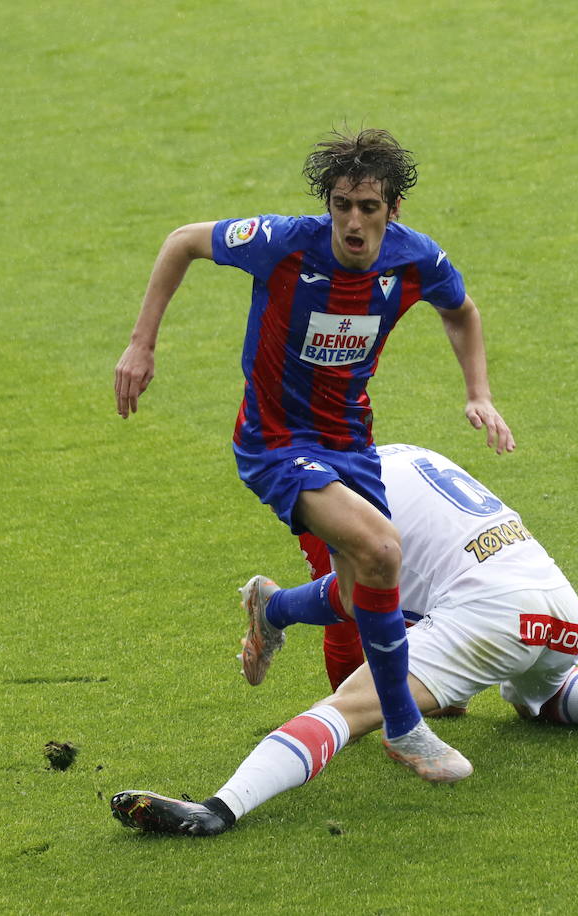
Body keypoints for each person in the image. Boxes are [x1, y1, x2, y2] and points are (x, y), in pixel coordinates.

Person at [114, 128, 515, 770]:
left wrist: (480, 394)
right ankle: (404, 728)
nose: (352, 222)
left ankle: (271, 608)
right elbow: (182, 241)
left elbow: (461, 311)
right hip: (275, 441)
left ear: (393, 211)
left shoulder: (415, 261)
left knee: (362, 595)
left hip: (351, 441)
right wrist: (143, 343)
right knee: (383, 548)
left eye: (369, 208)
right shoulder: (281, 244)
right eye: (341, 205)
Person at [110, 444, 578, 837]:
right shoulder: (410, 457)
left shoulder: (342, 498)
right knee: (544, 694)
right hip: (560, 607)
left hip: (488, 614)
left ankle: (219, 809)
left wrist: (378, 692)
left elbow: (353, 605)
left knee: (348, 708)